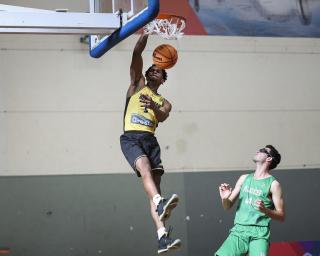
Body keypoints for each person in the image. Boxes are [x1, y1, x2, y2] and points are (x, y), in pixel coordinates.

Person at [120, 33, 181, 254]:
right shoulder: (137, 85)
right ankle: (159, 201)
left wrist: (153, 107)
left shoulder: (165, 102)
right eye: (151, 68)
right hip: (131, 137)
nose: (153, 70)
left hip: (150, 140)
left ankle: (162, 237)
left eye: (158, 70)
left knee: (155, 187)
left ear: (164, 78)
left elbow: (163, 116)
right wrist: (145, 31)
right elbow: (137, 52)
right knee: (144, 168)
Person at [215, 145, 285, 256]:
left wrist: (265, 210)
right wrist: (224, 199)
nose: (258, 150)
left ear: (269, 158)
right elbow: (227, 206)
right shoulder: (244, 178)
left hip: (259, 234)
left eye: (263, 150)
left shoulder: (274, 184)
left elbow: (281, 216)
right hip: (239, 231)